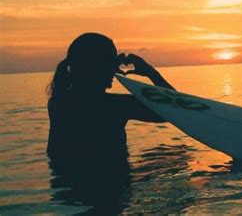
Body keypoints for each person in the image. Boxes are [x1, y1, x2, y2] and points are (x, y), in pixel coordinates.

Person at [46, 32, 175, 167]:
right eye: (111, 61)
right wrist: (150, 72)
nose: (115, 67)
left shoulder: (57, 103)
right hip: (112, 184)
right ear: (95, 66)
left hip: (68, 185)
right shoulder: (115, 106)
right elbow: (175, 110)